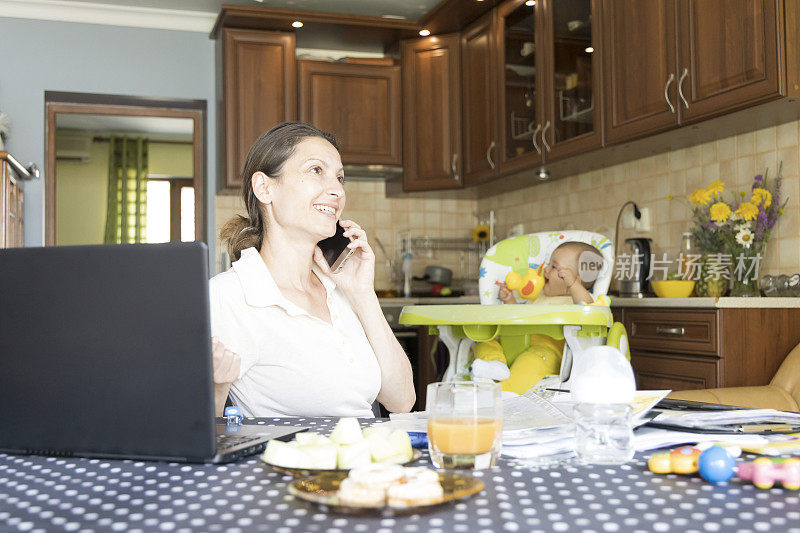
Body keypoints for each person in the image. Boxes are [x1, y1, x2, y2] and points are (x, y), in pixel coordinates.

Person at [209, 122, 415, 417]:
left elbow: (402, 401)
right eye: (316, 170)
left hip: (367, 459)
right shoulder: (227, 296)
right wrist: (215, 387)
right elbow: (199, 430)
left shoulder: (340, 290)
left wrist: (362, 293)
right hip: (294, 462)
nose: (337, 191)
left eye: (340, 178)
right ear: (265, 187)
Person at [472, 241, 601, 394]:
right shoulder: (538, 298)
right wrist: (510, 301)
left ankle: (503, 392)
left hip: (546, 351)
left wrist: (573, 285)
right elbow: (519, 320)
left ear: (573, 279)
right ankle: (495, 365)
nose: (545, 270)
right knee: (484, 340)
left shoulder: (576, 300)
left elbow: (588, 310)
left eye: (554, 267)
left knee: (530, 363)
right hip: (515, 343)